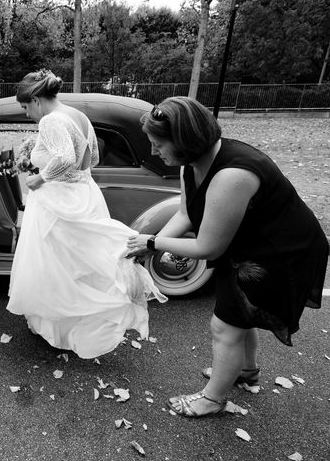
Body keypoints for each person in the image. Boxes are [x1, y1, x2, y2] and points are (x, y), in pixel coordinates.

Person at [126, 96, 328, 417]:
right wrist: (157, 244)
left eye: (157, 143)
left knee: (224, 325)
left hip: (281, 252)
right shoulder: (191, 164)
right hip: (246, 244)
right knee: (238, 315)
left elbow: (208, 248)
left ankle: (213, 399)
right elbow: (186, 213)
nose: (153, 151)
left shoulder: (232, 175)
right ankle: (245, 371)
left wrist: (151, 243)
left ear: (185, 142)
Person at [6, 69, 167, 359]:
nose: (27, 113)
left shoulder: (51, 119)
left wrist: (39, 178)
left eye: (26, 107)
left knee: (55, 265)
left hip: (58, 201)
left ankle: (59, 328)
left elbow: (65, 158)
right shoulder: (76, 114)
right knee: (76, 263)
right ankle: (77, 322)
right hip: (83, 193)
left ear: (36, 100)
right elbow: (91, 157)